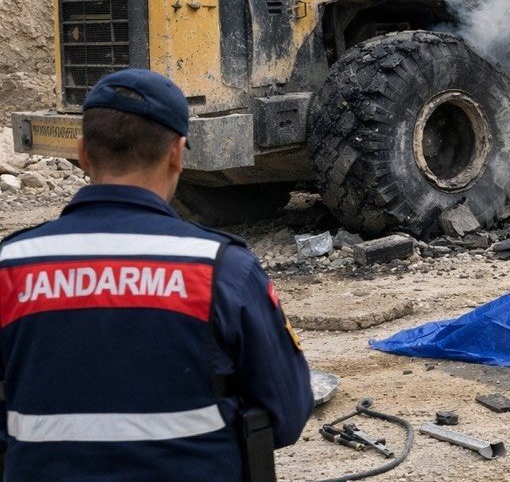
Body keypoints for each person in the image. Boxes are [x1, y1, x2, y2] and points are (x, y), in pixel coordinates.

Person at [0, 69, 313, 480]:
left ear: (82, 153)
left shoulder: (12, 266)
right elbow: (287, 414)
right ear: (178, 153)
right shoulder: (221, 269)